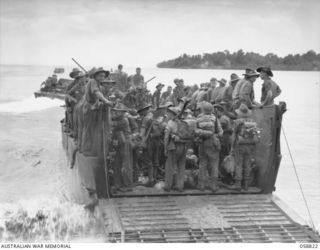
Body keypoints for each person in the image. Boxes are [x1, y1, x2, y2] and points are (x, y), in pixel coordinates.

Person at [195, 102, 223, 192]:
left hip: (202, 142)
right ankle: (213, 186)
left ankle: (201, 185)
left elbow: (195, 131)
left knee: (202, 164)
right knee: (214, 164)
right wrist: (215, 135)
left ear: (203, 109)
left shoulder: (199, 118)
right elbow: (220, 132)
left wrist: (203, 133)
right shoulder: (215, 118)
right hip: (213, 143)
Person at [231, 103, 260, 191]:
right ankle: (246, 185)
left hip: (240, 146)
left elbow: (234, 135)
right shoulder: (252, 122)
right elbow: (256, 134)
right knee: (247, 164)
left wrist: (232, 147)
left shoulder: (237, 122)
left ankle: (238, 185)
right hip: (250, 146)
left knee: (239, 164)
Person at [164, 107, 189, 192]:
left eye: (169, 112)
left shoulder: (170, 123)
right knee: (181, 167)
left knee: (169, 166)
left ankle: (168, 186)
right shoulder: (184, 122)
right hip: (184, 146)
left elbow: (166, 137)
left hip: (173, 146)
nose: (167, 114)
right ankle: (180, 186)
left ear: (172, 114)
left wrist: (165, 148)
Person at [111, 103, 133, 192]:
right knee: (117, 164)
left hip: (125, 143)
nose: (117, 113)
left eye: (119, 112)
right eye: (116, 111)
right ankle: (118, 184)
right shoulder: (118, 119)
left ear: (123, 113)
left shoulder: (124, 120)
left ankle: (128, 185)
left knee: (126, 165)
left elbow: (113, 124)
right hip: (120, 142)